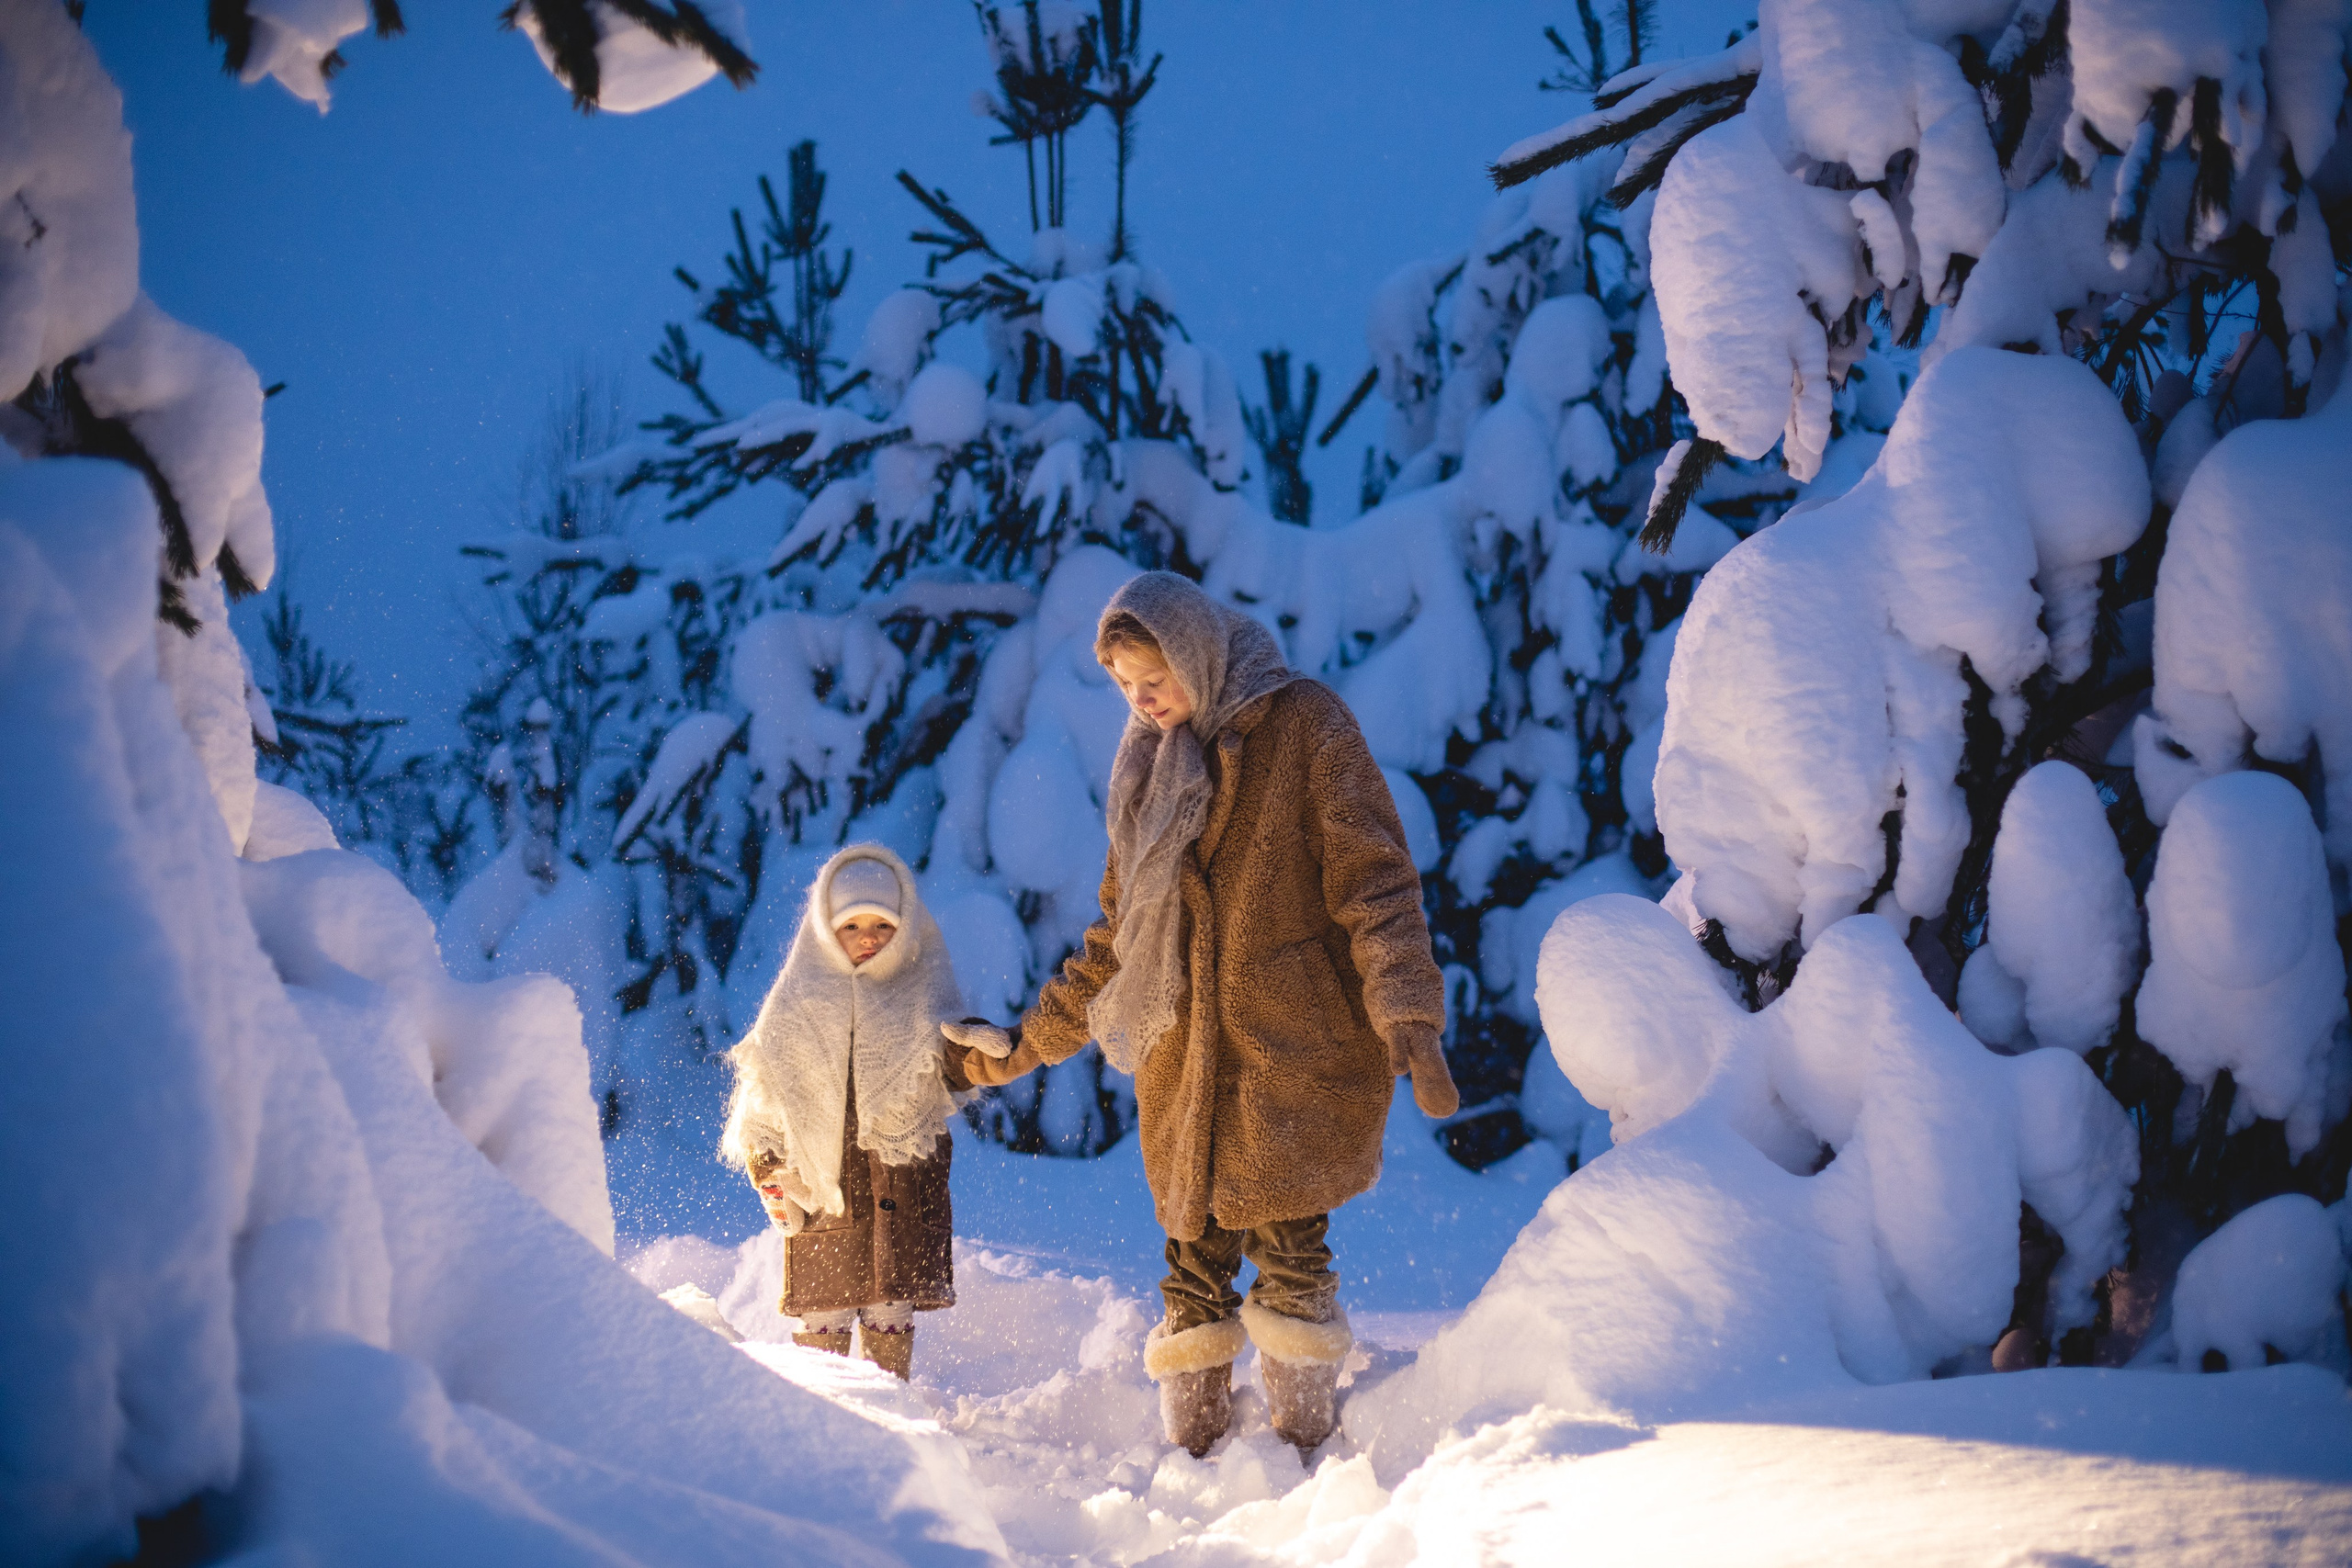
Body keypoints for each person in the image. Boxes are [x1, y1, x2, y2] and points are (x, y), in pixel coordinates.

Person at [944, 571, 1456, 1459]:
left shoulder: (1305, 725)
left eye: (1155, 679)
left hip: (1293, 1051)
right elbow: (1117, 942)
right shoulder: (1150, 769)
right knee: (1191, 1265)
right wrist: (1024, 1046)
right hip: (1185, 1066)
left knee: (1292, 1251)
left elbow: (1375, 882)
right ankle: (1196, 1454)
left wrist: (1407, 1010)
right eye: (1125, 686)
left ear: (1197, 652)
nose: (1141, 702)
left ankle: (1303, 1450)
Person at [721, 843, 999, 1380]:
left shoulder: (922, 989)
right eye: (851, 925)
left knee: (889, 1306)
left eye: (883, 925)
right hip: (826, 1194)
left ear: (906, 927)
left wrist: (973, 1051)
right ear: (826, 930)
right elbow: (763, 1099)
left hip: (902, 1187)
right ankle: (824, 1413)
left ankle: (890, 1409)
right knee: (824, 1309)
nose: (868, 937)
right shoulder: (797, 1002)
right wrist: (770, 1171)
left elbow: (947, 1065)